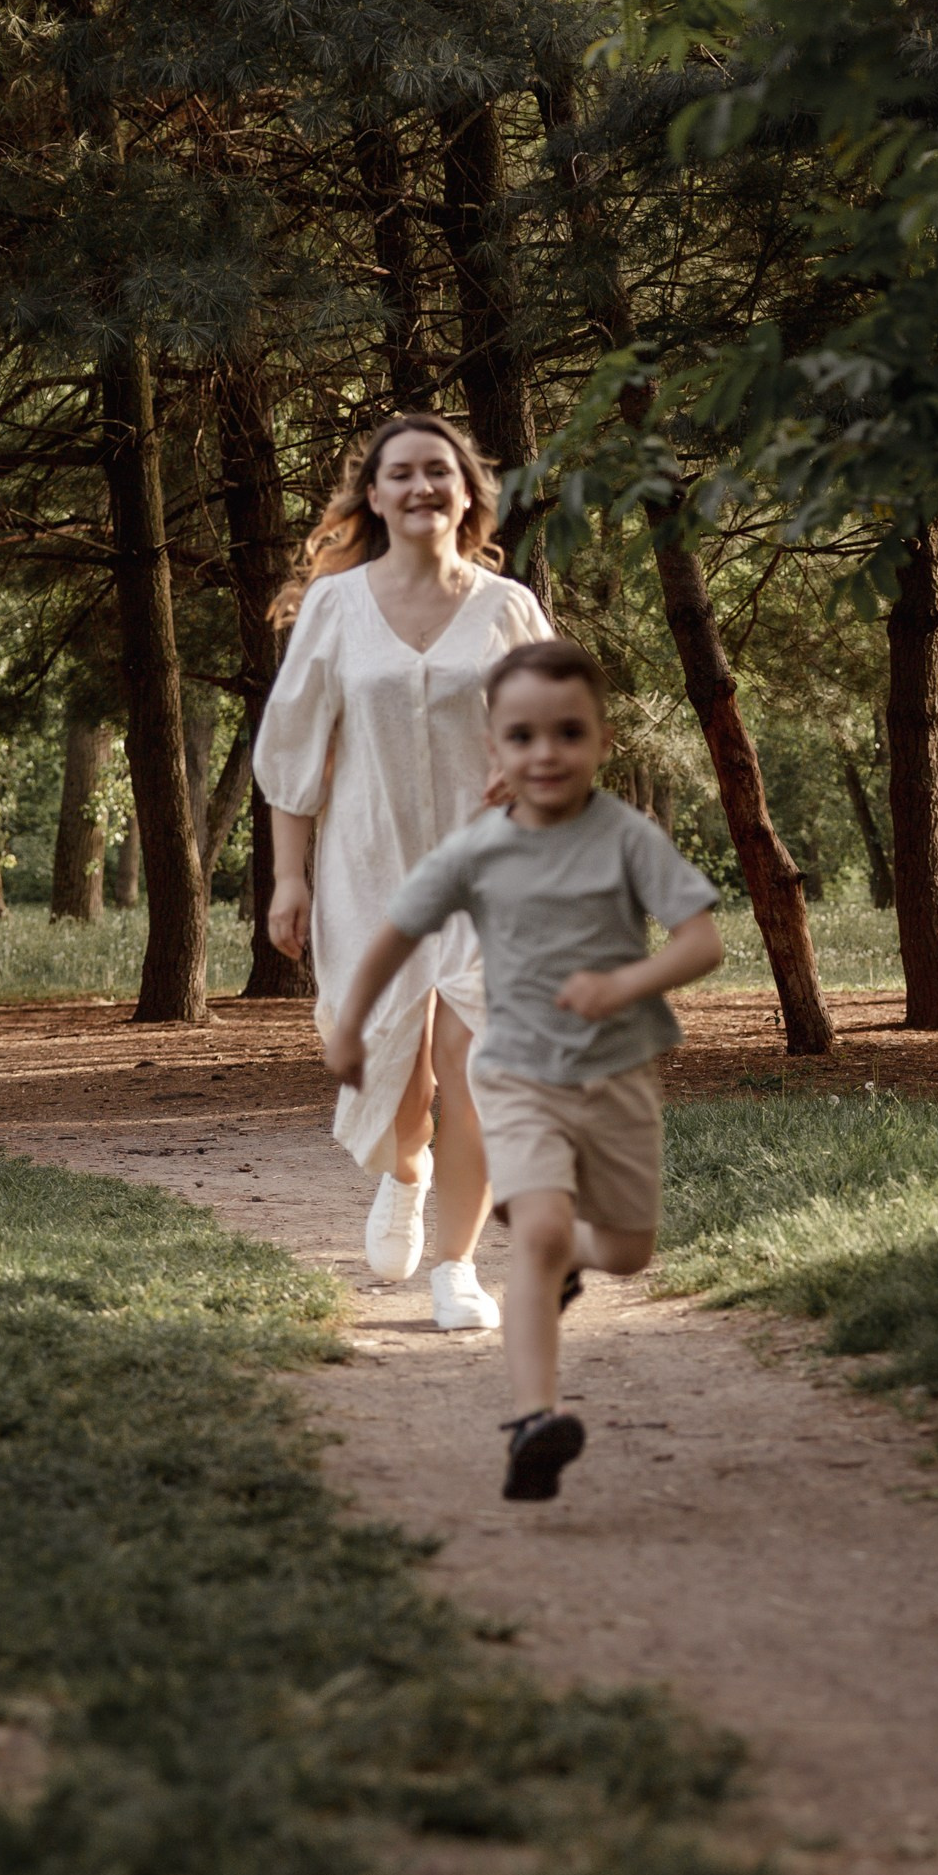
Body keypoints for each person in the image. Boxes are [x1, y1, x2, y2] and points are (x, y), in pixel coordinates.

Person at [325, 637, 722, 1501]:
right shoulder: (477, 850)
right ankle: (535, 1420)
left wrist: (626, 981)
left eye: (569, 733)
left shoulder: (627, 838)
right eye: (524, 737)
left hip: (618, 1079)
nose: (547, 753)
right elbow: (395, 932)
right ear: (496, 749)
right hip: (515, 1075)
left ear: (604, 741)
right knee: (537, 1234)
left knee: (628, 1251)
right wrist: (352, 1025)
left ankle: (568, 1259)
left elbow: (702, 939)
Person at [254, 415, 552, 1330]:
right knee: (398, 1072)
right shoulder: (337, 609)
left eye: (440, 472)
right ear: (374, 498)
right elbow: (294, 750)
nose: (422, 487)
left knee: (473, 1068)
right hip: (365, 870)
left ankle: (458, 1269)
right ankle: (406, 1171)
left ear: (467, 495)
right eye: (402, 474)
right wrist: (290, 878)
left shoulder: (507, 607)